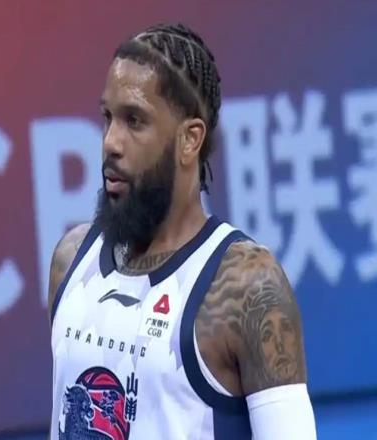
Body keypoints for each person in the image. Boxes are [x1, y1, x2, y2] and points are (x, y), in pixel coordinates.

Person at [48, 23, 316, 440]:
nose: (111, 142)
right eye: (107, 118)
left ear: (190, 139)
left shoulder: (244, 288)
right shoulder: (70, 262)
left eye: (134, 120)